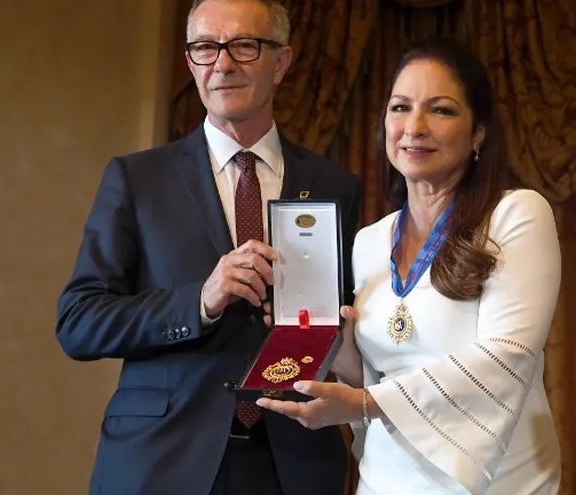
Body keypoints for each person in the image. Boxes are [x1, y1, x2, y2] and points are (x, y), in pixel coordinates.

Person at [55, 0, 361, 493]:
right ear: (190, 62)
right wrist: (200, 301)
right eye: (205, 47)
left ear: (281, 62)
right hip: (162, 459)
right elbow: (79, 322)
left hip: (293, 463)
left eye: (244, 45)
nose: (222, 63)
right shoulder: (138, 179)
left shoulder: (334, 186)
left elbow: (347, 325)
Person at [257, 36, 562, 494]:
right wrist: (335, 346)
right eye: (400, 107)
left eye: (441, 110)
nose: (414, 127)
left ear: (478, 132)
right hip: (383, 480)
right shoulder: (368, 242)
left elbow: (506, 356)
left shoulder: (516, 214)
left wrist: (365, 402)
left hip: (496, 482)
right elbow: (376, 378)